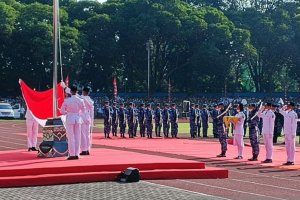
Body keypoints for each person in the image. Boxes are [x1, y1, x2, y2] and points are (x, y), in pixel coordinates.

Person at [61, 85, 85, 160]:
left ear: (71, 91)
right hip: (77, 118)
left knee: (71, 137)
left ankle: (72, 154)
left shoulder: (67, 100)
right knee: (77, 137)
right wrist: (77, 113)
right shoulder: (80, 100)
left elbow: (62, 111)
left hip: (70, 118)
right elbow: (83, 110)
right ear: (77, 91)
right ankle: (76, 154)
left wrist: (67, 112)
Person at [80, 87, 94, 156]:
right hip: (88, 118)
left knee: (83, 135)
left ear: (84, 92)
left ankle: (84, 150)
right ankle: (87, 149)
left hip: (82, 117)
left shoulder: (81, 97)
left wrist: (65, 87)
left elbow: (74, 94)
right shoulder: (90, 100)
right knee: (87, 135)